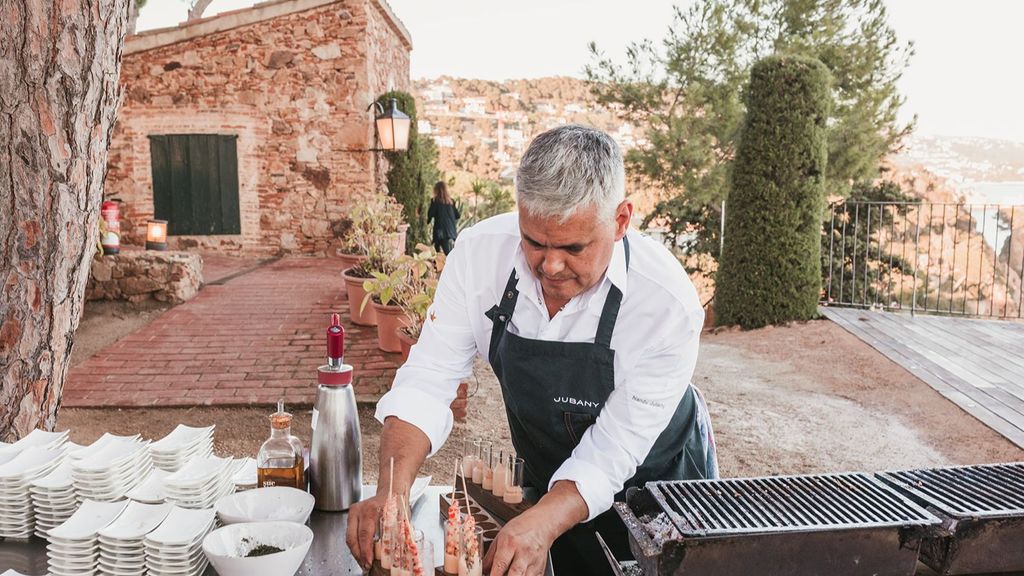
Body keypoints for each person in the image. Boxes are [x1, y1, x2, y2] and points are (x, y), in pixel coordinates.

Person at [346, 125, 717, 576]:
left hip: (662, 485)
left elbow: (615, 447)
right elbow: (428, 378)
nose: (550, 265)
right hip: (553, 477)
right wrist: (392, 488)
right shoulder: (479, 256)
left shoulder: (666, 302)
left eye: (573, 247)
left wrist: (543, 521)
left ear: (621, 220)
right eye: (534, 242)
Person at [428, 181, 460, 254]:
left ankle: (442, 265)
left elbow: (430, 214)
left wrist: (428, 220)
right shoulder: (451, 202)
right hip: (451, 232)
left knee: (440, 252)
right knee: (448, 253)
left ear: (436, 190)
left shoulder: (435, 201)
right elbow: (457, 215)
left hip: (440, 231)